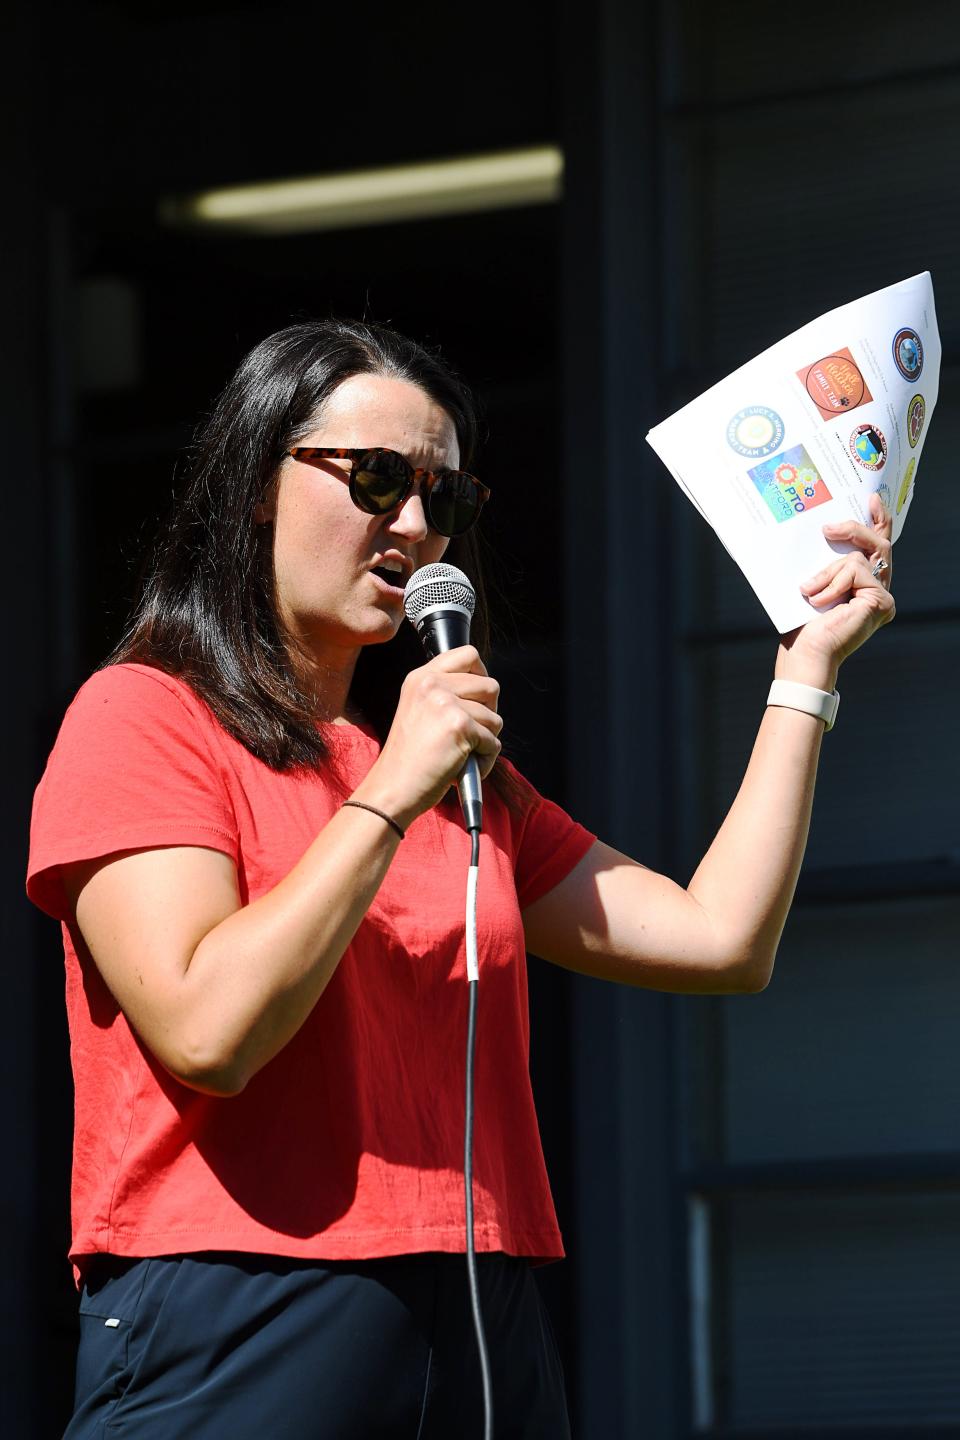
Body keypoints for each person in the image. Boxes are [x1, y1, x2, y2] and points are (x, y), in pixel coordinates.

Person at [27, 318, 895, 1438]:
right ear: (254, 483)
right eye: (379, 479)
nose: (418, 525)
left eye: (448, 497)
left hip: (481, 1307)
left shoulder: (448, 769)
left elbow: (721, 940)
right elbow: (207, 1031)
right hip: (240, 1297)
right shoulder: (146, 716)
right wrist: (388, 793)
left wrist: (805, 674)